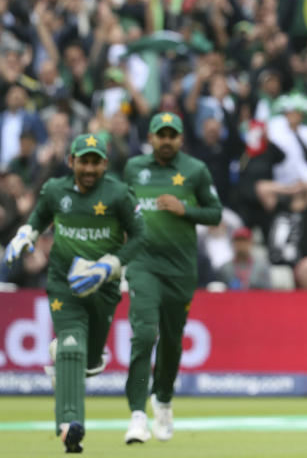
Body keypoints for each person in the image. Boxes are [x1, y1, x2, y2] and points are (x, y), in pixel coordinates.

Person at [3, 133, 147, 453]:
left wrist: (110, 265)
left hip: (105, 287)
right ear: (72, 161)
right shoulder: (56, 191)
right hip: (63, 284)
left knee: (91, 361)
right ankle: (70, 425)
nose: (90, 168)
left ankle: (69, 368)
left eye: (96, 161)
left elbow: (140, 237)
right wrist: (25, 234)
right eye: (84, 161)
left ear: (105, 163)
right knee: (71, 345)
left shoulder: (119, 195)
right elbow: (39, 218)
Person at [121, 112, 222, 444]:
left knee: (172, 341)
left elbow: (215, 213)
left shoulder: (195, 171)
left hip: (180, 269)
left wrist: (185, 210)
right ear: (150, 137)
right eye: (160, 135)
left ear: (181, 139)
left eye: (172, 135)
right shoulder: (134, 168)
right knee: (144, 334)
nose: (166, 140)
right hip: (143, 264)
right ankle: (137, 415)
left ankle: (162, 399)